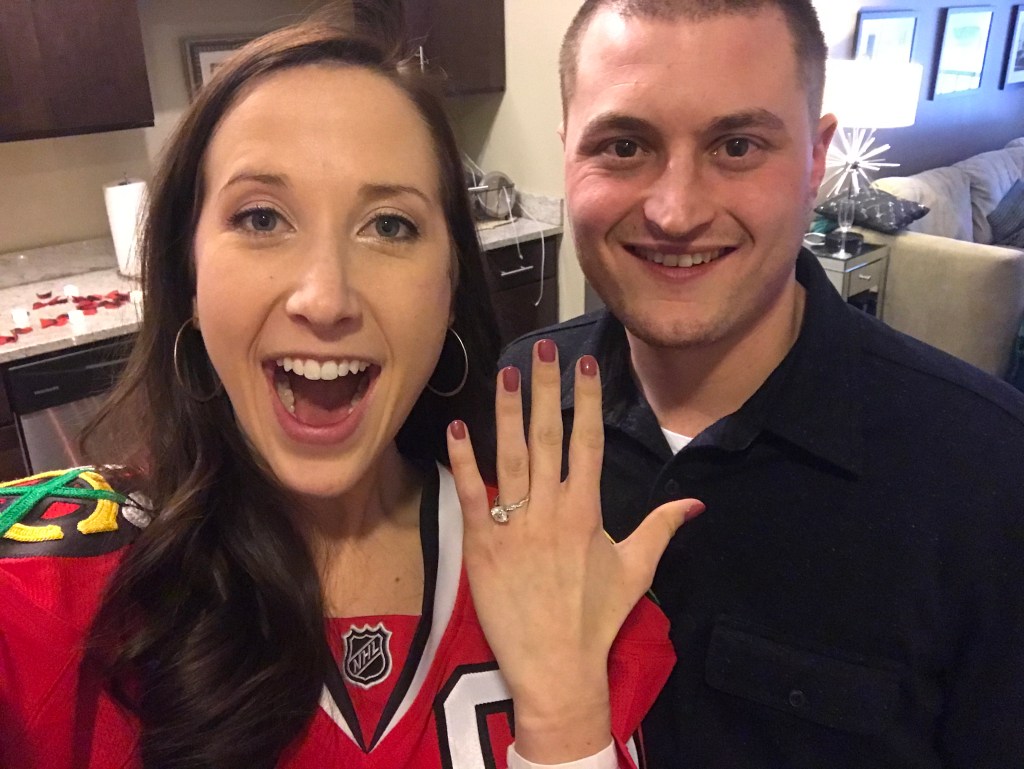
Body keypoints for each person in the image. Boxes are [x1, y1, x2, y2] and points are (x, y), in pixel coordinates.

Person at [0, 10, 703, 769]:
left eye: (390, 226)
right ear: (189, 276)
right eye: (261, 217)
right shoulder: (50, 579)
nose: (326, 297)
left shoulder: (555, 566)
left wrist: (564, 713)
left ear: (449, 285)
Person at [500, 0, 1024, 766]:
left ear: (816, 160)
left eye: (737, 146)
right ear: (568, 152)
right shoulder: (513, 403)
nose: (675, 212)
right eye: (624, 146)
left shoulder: (989, 474)